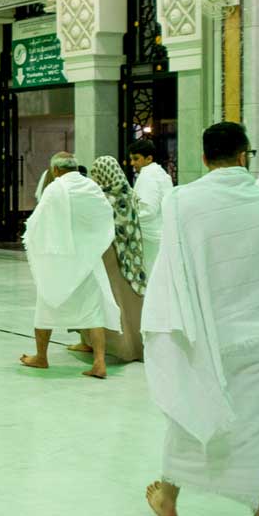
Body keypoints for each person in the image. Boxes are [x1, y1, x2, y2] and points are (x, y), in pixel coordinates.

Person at [142, 122, 259, 516]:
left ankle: (168, 495)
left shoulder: (182, 201)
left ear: (204, 158)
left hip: (208, 336)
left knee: (190, 412)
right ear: (244, 156)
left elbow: (173, 270)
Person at [19, 152, 119, 379]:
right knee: (93, 312)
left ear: (55, 170)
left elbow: (37, 222)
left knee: (46, 306)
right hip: (88, 260)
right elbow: (105, 217)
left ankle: (41, 357)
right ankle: (99, 363)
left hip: (60, 261)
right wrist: (91, 245)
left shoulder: (55, 188)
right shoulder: (92, 187)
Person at [87, 155, 148, 362]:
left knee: (111, 298)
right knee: (129, 299)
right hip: (131, 254)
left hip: (110, 252)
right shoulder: (128, 192)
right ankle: (137, 345)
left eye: (96, 174)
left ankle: (120, 347)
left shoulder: (104, 198)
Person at [128, 137, 174, 277]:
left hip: (151, 237)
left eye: (136, 159)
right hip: (163, 232)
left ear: (149, 158)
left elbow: (147, 211)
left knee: (151, 276)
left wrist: (130, 221)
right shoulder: (161, 174)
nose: (132, 163)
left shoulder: (147, 175)